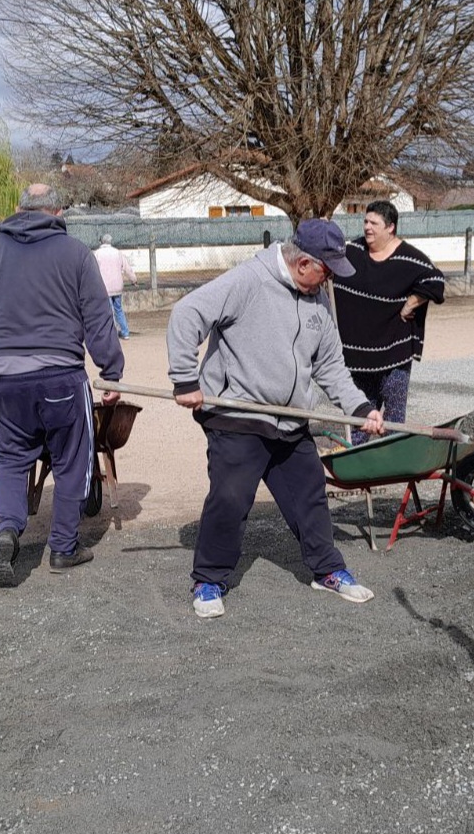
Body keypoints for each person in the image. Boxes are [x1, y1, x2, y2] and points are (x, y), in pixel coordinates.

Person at [167, 218, 386, 619]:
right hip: (238, 413)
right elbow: (187, 313)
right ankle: (209, 579)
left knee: (310, 494)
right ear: (303, 263)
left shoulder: (318, 299)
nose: (328, 281)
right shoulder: (249, 282)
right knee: (230, 498)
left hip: (289, 420)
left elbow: (331, 366)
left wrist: (358, 409)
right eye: (326, 271)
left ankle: (328, 570)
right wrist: (185, 379)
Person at [0, 184, 124, 586]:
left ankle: (8, 530)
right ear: (57, 210)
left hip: (4, 381)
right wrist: (111, 371)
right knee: (73, 459)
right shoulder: (76, 253)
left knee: (9, 459)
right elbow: (98, 317)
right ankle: (63, 547)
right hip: (60, 375)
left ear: (16, 209)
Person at [335, 200, 445, 443]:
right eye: (365, 221)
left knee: (394, 424)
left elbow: (436, 281)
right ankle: (360, 472)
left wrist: (411, 303)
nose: (367, 227)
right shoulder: (351, 251)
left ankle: (392, 469)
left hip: (394, 357)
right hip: (357, 361)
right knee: (359, 423)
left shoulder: (409, 258)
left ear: (390, 228)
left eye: (374, 223)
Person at [93, 234, 137, 339]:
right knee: (118, 309)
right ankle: (125, 332)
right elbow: (127, 268)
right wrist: (134, 279)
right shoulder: (117, 253)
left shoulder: (97, 254)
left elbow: (92, 270)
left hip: (104, 287)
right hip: (117, 286)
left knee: (109, 311)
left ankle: (112, 333)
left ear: (101, 242)